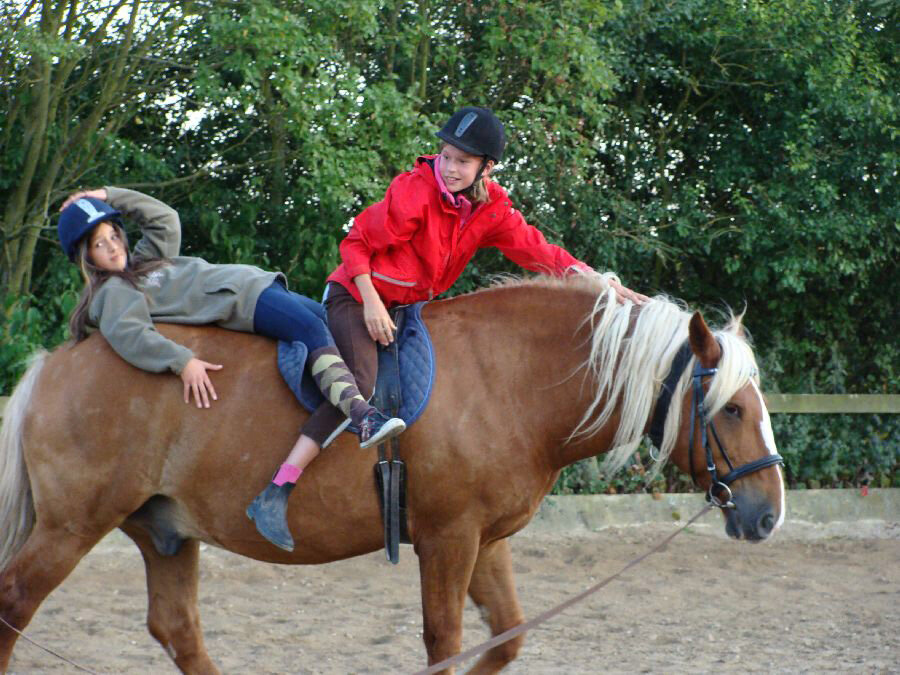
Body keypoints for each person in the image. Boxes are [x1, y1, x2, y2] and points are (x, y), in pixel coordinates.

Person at [56, 187, 406, 552]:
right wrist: (181, 360)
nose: (113, 247)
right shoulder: (113, 292)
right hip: (245, 301)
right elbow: (131, 335)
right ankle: (363, 418)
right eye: (100, 244)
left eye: (114, 235)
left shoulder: (144, 261)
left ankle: (328, 441)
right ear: (86, 258)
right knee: (312, 331)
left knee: (336, 335)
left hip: (259, 285)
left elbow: (165, 220)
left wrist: (108, 194)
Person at [294, 106, 648, 448]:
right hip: (358, 294)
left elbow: (537, 250)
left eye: (463, 161)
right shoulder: (415, 192)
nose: (448, 168)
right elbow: (356, 243)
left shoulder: (492, 209)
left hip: (407, 307)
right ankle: (287, 475)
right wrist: (371, 303)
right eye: (446, 156)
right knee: (363, 384)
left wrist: (597, 281)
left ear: (487, 167)